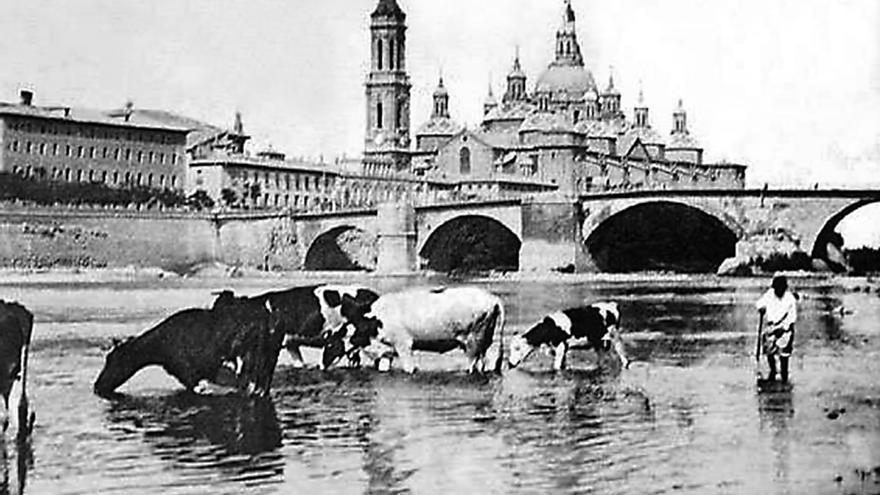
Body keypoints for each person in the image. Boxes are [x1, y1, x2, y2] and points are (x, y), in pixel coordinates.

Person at [756, 275, 797, 383]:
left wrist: (784, 328)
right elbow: (759, 303)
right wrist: (761, 308)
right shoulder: (770, 294)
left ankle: (784, 375)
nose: (779, 290)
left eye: (781, 288)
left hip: (785, 329)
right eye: (777, 288)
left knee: (784, 356)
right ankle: (773, 370)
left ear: (785, 288)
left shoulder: (790, 298)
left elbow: (792, 317)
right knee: (769, 352)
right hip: (771, 326)